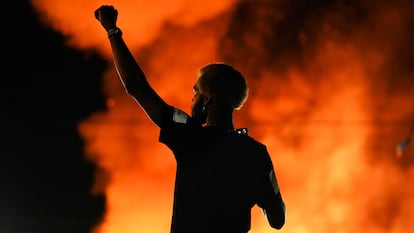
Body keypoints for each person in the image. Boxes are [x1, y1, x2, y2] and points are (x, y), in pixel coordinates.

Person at [94, 5, 286, 233]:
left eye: (196, 92)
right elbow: (278, 219)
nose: (192, 98)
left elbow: (136, 86)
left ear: (208, 100)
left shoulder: (191, 136)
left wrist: (112, 31)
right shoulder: (256, 154)